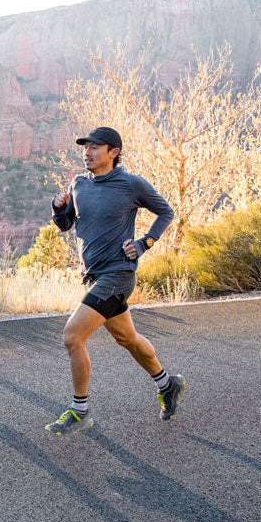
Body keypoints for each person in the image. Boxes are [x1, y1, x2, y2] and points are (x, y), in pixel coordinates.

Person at [45, 126, 185, 435]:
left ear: (114, 152)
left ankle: (79, 411)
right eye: (85, 147)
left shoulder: (130, 184)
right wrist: (57, 210)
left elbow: (166, 212)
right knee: (128, 340)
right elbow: (67, 223)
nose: (88, 152)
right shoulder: (79, 183)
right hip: (94, 276)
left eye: (95, 147)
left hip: (119, 274)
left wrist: (144, 243)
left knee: (72, 336)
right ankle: (167, 383)